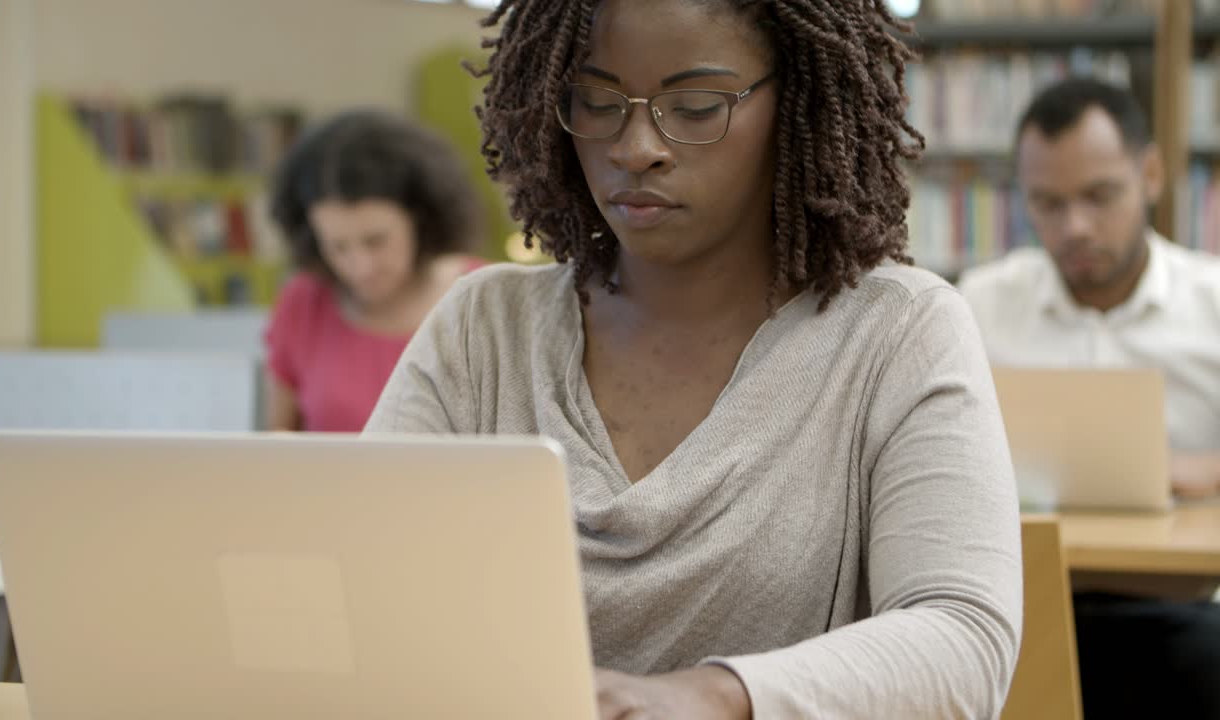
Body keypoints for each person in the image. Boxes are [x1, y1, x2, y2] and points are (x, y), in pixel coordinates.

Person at [366, 1, 1022, 717]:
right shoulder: (482, 330)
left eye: (697, 105)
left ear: (795, 98)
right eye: (596, 101)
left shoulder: (898, 332)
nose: (635, 146)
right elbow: (359, 591)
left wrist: (719, 697)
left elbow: (962, 641)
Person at [959, 78, 1220, 718]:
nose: (1074, 227)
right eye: (1047, 203)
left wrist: (1206, 470)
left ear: (1152, 174)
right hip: (1016, 599)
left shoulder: (1214, 303)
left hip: (1183, 601)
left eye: (1099, 197)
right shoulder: (982, 304)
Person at [264, 110, 485, 432]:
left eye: (376, 241)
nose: (360, 267)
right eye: (338, 246)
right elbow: (275, 446)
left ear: (420, 219)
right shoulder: (304, 302)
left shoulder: (484, 298)